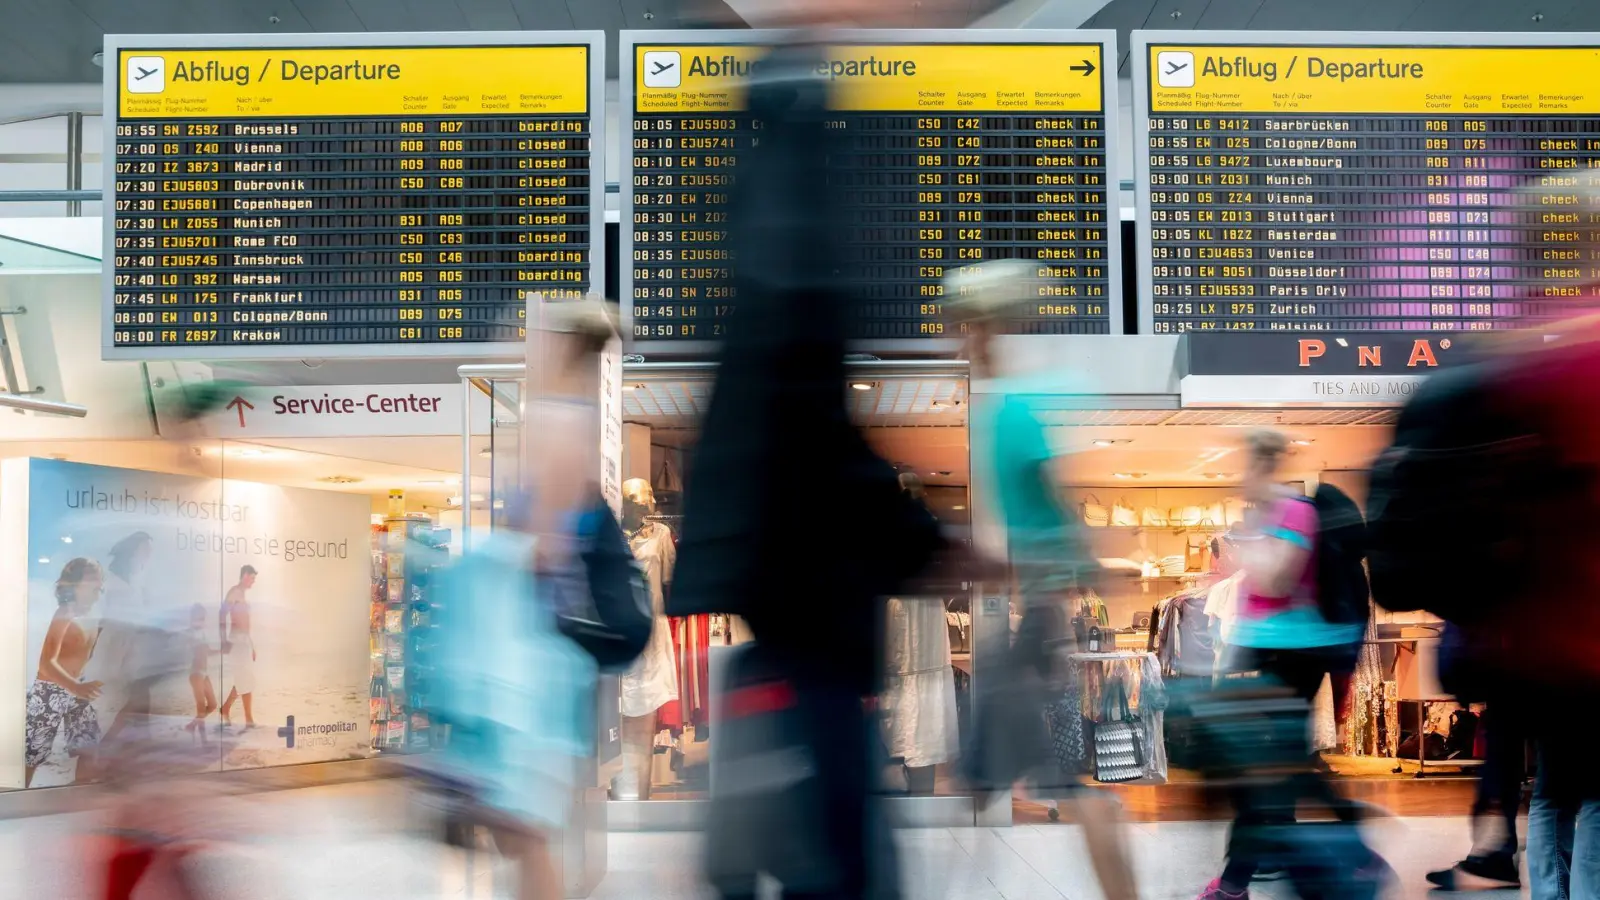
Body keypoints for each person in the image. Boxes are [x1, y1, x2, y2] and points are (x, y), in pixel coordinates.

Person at [671, 37, 942, 900]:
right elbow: (819, 442)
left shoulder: (761, 275)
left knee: (817, 848)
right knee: (838, 859)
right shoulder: (792, 285)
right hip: (812, 629)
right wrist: (919, 537)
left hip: (788, 619)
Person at [943, 260, 1138, 900]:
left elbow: (1053, 501)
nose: (959, 339)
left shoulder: (1011, 413)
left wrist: (1068, 577)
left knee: (1044, 782)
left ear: (986, 327)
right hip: (1038, 615)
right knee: (995, 776)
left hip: (1039, 620)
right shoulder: (1006, 409)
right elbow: (1050, 509)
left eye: (964, 325)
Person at [427, 295, 612, 900]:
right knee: (520, 831)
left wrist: (478, 554)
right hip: (534, 651)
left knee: (524, 833)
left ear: (560, 347)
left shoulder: (559, 421)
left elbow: (544, 548)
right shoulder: (569, 417)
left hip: (526, 660)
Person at [1198, 429, 1383, 900]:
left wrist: (1248, 543)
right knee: (1275, 766)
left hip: (1296, 652)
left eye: (1247, 468)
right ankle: (1352, 845)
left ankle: (1236, 883)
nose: (1240, 479)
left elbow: (1276, 582)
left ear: (1264, 467)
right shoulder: (1265, 515)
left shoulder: (1293, 511)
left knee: (1270, 769)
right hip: (1263, 650)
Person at [26, 557, 106, 788]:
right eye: (90, 576)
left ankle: (79, 794)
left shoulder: (95, 616)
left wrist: (85, 683)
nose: (97, 580)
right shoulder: (65, 613)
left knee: (89, 746)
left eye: (98, 576)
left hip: (77, 688)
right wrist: (76, 686)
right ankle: (14, 797)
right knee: (33, 754)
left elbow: (86, 655)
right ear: (75, 583)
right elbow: (46, 662)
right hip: (49, 690)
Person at [218, 565, 257, 731]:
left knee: (244, 679)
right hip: (236, 641)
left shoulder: (243, 595)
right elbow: (222, 614)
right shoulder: (234, 592)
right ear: (245, 576)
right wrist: (223, 640)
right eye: (252, 578)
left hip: (244, 642)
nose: (253, 582)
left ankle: (225, 709)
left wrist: (252, 646)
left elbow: (246, 623)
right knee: (245, 678)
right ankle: (249, 720)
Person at [184, 604, 217, 742]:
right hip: (196, 672)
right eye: (199, 617)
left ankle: (192, 726)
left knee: (213, 704)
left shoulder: (203, 633)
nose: (202, 620)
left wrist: (222, 650)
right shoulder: (189, 633)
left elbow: (207, 651)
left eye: (203, 618)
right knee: (201, 706)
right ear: (193, 618)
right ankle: (204, 741)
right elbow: (193, 649)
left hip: (205, 672)